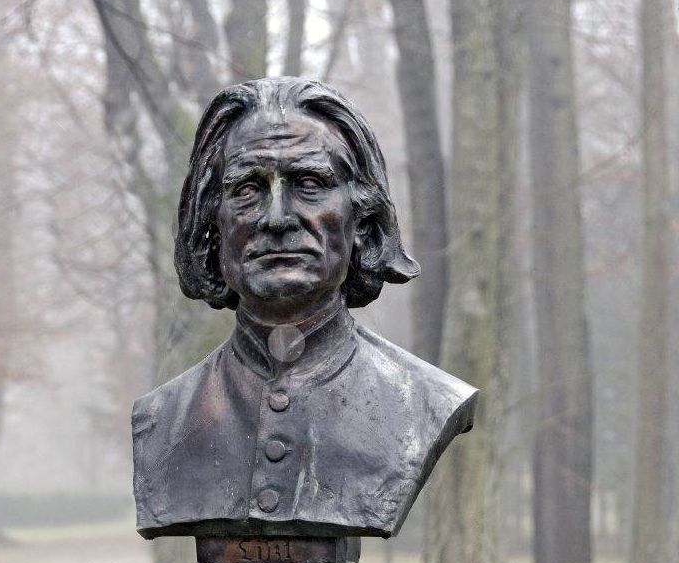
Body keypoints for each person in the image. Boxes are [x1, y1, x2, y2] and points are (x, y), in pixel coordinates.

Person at [133, 77, 477, 539]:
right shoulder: (163, 419)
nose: (276, 219)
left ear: (361, 218)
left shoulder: (425, 403)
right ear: (212, 221)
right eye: (247, 189)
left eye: (310, 184)